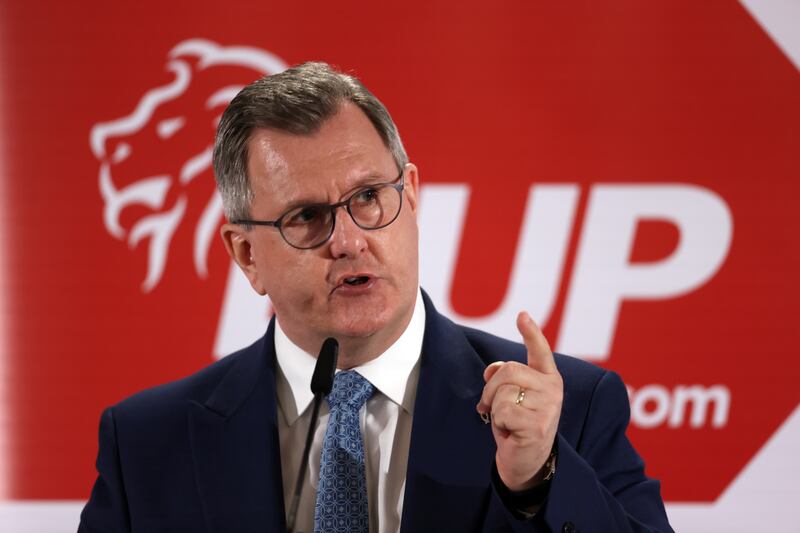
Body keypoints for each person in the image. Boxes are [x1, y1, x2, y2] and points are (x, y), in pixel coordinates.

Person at [79, 62, 673, 533]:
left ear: (410, 195)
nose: (348, 241)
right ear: (247, 255)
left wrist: (538, 483)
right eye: (306, 216)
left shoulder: (568, 414)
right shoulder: (147, 445)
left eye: (368, 197)